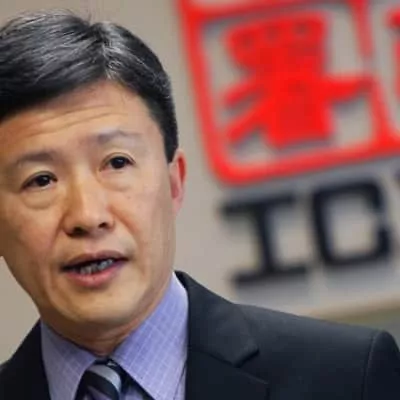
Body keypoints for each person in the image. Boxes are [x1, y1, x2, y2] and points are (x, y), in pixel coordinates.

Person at [0, 9, 399, 400]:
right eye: (41, 180)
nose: (88, 216)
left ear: (174, 182)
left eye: (117, 162)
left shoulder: (348, 377)